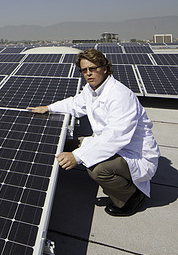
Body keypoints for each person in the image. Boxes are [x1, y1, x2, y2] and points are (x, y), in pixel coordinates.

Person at [27, 49, 160, 217]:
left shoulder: (119, 95)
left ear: (105, 68)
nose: (89, 74)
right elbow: (75, 104)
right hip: (111, 145)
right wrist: (49, 108)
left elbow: (115, 138)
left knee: (97, 169)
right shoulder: (92, 90)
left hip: (134, 154)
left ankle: (131, 196)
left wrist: (77, 156)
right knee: (65, 145)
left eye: (93, 68)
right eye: (84, 70)